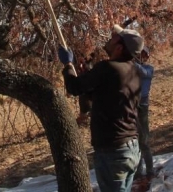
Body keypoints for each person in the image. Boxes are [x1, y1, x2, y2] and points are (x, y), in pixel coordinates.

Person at [60, 25, 144, 192]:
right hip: (130, 148)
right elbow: (105, 97)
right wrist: (89, 78)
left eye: (115, 38)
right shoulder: (134, 71)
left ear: (119, 48)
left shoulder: (107, 68)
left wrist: (68, 64)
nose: (110, 38)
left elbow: (74, 87)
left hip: (112, 151)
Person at [134, 47, 154, 179]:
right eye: (140, 54)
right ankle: (138, 171)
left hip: (143, 106)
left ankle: (150, 170)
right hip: (133, 106)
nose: (142, 57)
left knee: (144, 141)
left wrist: (131, 62)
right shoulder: (134, 69)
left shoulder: (149, 69)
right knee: (135, 140)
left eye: (144, 55)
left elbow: (142, 72)